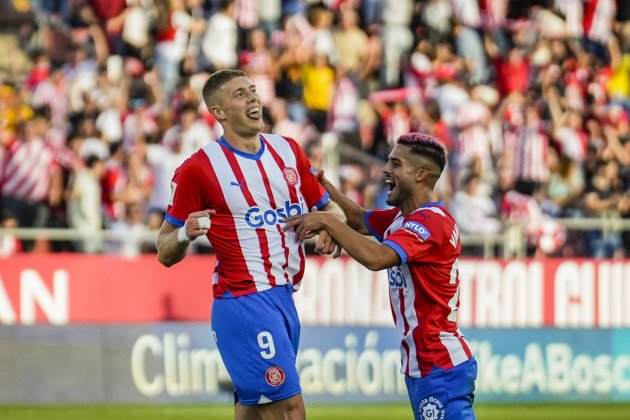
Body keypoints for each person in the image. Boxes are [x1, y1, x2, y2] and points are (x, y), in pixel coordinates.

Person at [156, 69, 342, 420]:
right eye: (241, 94)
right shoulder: (199, 168)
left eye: (254, 91)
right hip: (245, 300)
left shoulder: (287, 151)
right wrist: (184, 234)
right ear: (219, 112)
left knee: (254, 411)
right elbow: (164, 248)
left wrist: (330, 226)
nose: (254, 98)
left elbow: (328, 206)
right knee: (288, 408)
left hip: (284, 297)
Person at [284, 132, 476, 420]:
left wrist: (325, 220)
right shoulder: (403, 218)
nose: (386, 170)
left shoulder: (431, 223)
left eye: (396, 164)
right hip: (425, 365)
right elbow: (360, 220)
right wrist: (326, 191)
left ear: (421, 174)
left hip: (440, 364)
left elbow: (377, 258)